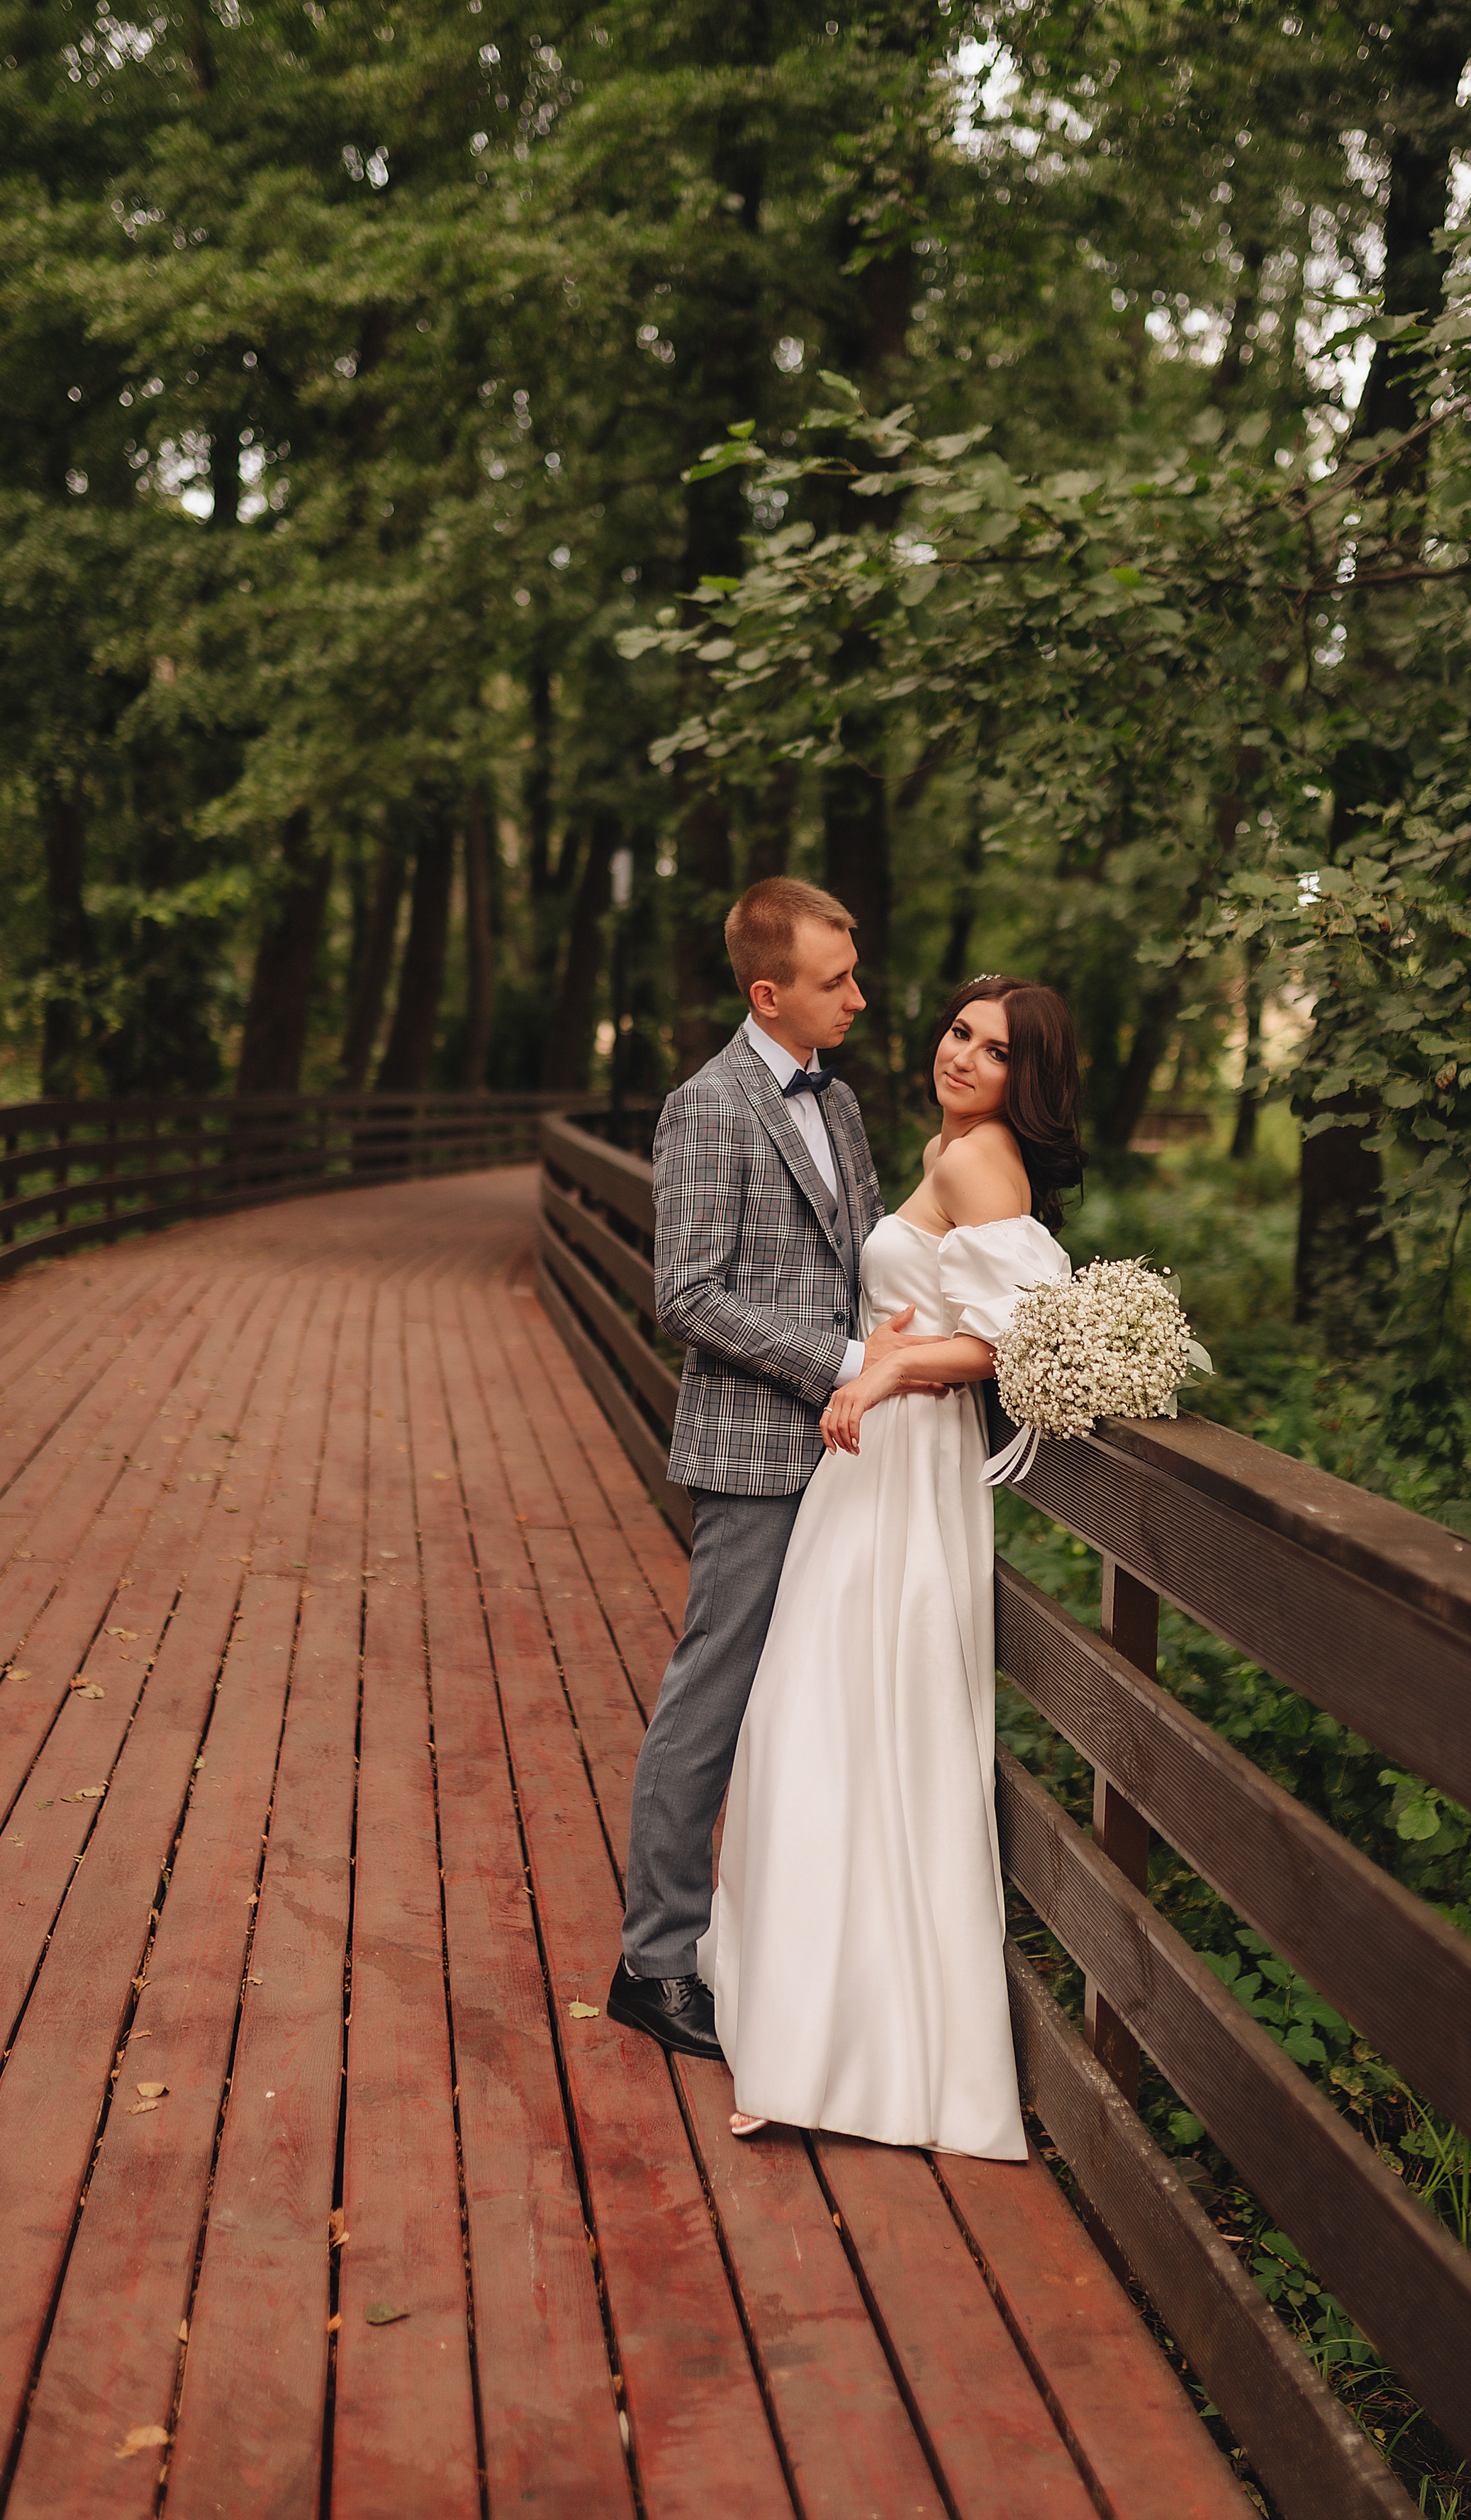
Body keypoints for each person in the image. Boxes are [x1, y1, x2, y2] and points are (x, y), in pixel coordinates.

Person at [702, 974, 1082, 2158]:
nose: (964, 1056)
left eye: (997, 1050)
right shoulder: (949, 1143)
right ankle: (806, 2013)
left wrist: (887, 1375)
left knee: (848, 1723)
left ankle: (838, 2045)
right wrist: (878, 1359)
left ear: (1032, 1078)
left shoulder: (981, 1163)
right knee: (824, 1721)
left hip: (903, 1469)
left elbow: (1023, 1336)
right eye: (960, 1032)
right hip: (870, 1468)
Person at [608, 876, 931, 2056]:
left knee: (822, 1701)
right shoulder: (707, 1109)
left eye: (853, 970)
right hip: (753, 1452)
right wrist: (843, 1356)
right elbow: (686, 1295)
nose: (859, 994)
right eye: (836, 979)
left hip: (854, 1442)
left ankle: (793, 1948)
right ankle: (653, 1960)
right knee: (715, 1697)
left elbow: (868, 1248)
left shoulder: (836, 1105)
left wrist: (911, 1347)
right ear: (769, 992)